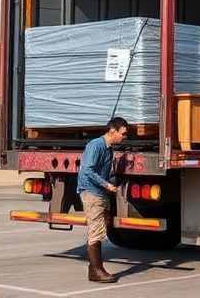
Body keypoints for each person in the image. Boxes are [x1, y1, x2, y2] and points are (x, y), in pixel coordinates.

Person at [77, 117, 129, 283]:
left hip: (100, 193)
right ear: (112, 131)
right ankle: (97, 271)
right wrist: (107, 185)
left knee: (99, 230)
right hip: (92, 193)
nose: (124, 137)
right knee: (96, 230)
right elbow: (87, 171)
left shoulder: (108, 148)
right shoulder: (96, 145)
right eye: (123, 133)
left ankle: (94, 269)